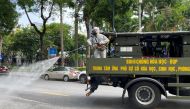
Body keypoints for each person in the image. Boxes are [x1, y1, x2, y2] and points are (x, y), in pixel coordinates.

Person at [86, 27, 109, 96]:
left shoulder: (102, 36)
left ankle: (103, 70)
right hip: (97, 50)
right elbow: (88, 40)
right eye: (94, 29)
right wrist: (91, 44)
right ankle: (98, 69)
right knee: (97, 60)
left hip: (103, 50)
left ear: (98, 30)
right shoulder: (92, 37)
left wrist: (102, 42)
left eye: (96, 29)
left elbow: (107, 40)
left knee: (103, 60)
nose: (95, 30)